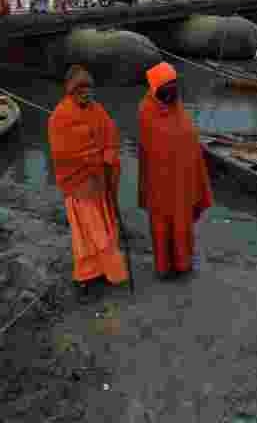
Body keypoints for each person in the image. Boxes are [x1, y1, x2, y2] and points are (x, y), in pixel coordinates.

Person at [48, 65, 129, 302]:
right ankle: (85, 279)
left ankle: (103, 271)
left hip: (100, 183)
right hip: (80, 185)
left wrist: (109, 154)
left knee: (104, 229)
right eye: (80, 89)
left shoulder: (98, 110)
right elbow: (62, 153)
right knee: (86, 234)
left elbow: (111, 135)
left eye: (88, 88)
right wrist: (96, 157)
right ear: (70, 91)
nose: (85, 93)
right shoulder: (60, 116)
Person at [137, 62, 214, 280]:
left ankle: (183, 264)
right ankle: (163, 267)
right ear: (155, 88)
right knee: (162, 227)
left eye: (174, 85)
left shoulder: (178, 108)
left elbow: (188, 143)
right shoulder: (146, 112)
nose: (173, 91)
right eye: (167, 86)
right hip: (159, 184)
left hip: (181, 182)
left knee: (182, 226)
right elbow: (149, 152)